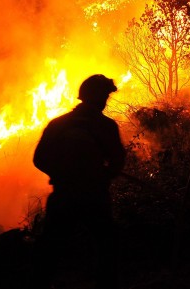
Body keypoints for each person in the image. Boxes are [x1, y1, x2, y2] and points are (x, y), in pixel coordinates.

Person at [32, 74, 126, 289]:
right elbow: (117, 161)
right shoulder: (105, 126)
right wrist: (101, 175)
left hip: (63, 195)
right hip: (94, 197)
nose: (105, 101)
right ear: (98, 97)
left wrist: (62, 174)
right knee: (107, 243)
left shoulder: (58, 124)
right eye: (104, 96)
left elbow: (39, 159)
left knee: (50, 247)